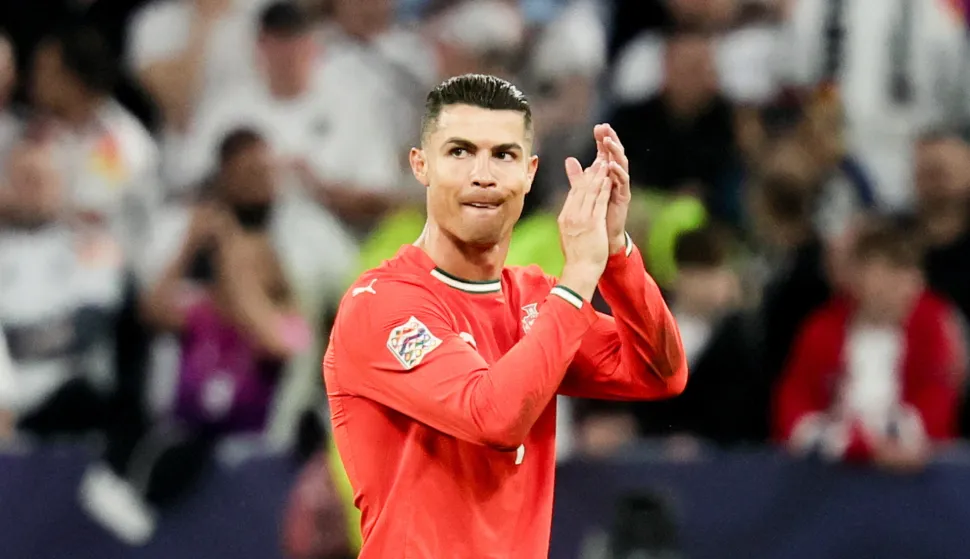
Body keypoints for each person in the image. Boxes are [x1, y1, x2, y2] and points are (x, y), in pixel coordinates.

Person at [323, 73, 688, 558]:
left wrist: (616, 253)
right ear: (421, 165)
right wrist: (579, 278)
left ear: (530, 172)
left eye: (503, 155)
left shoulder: (536, 300)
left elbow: (659, 372)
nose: (483, 175)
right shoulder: (380, 303)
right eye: (459, 152)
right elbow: (492, 417)